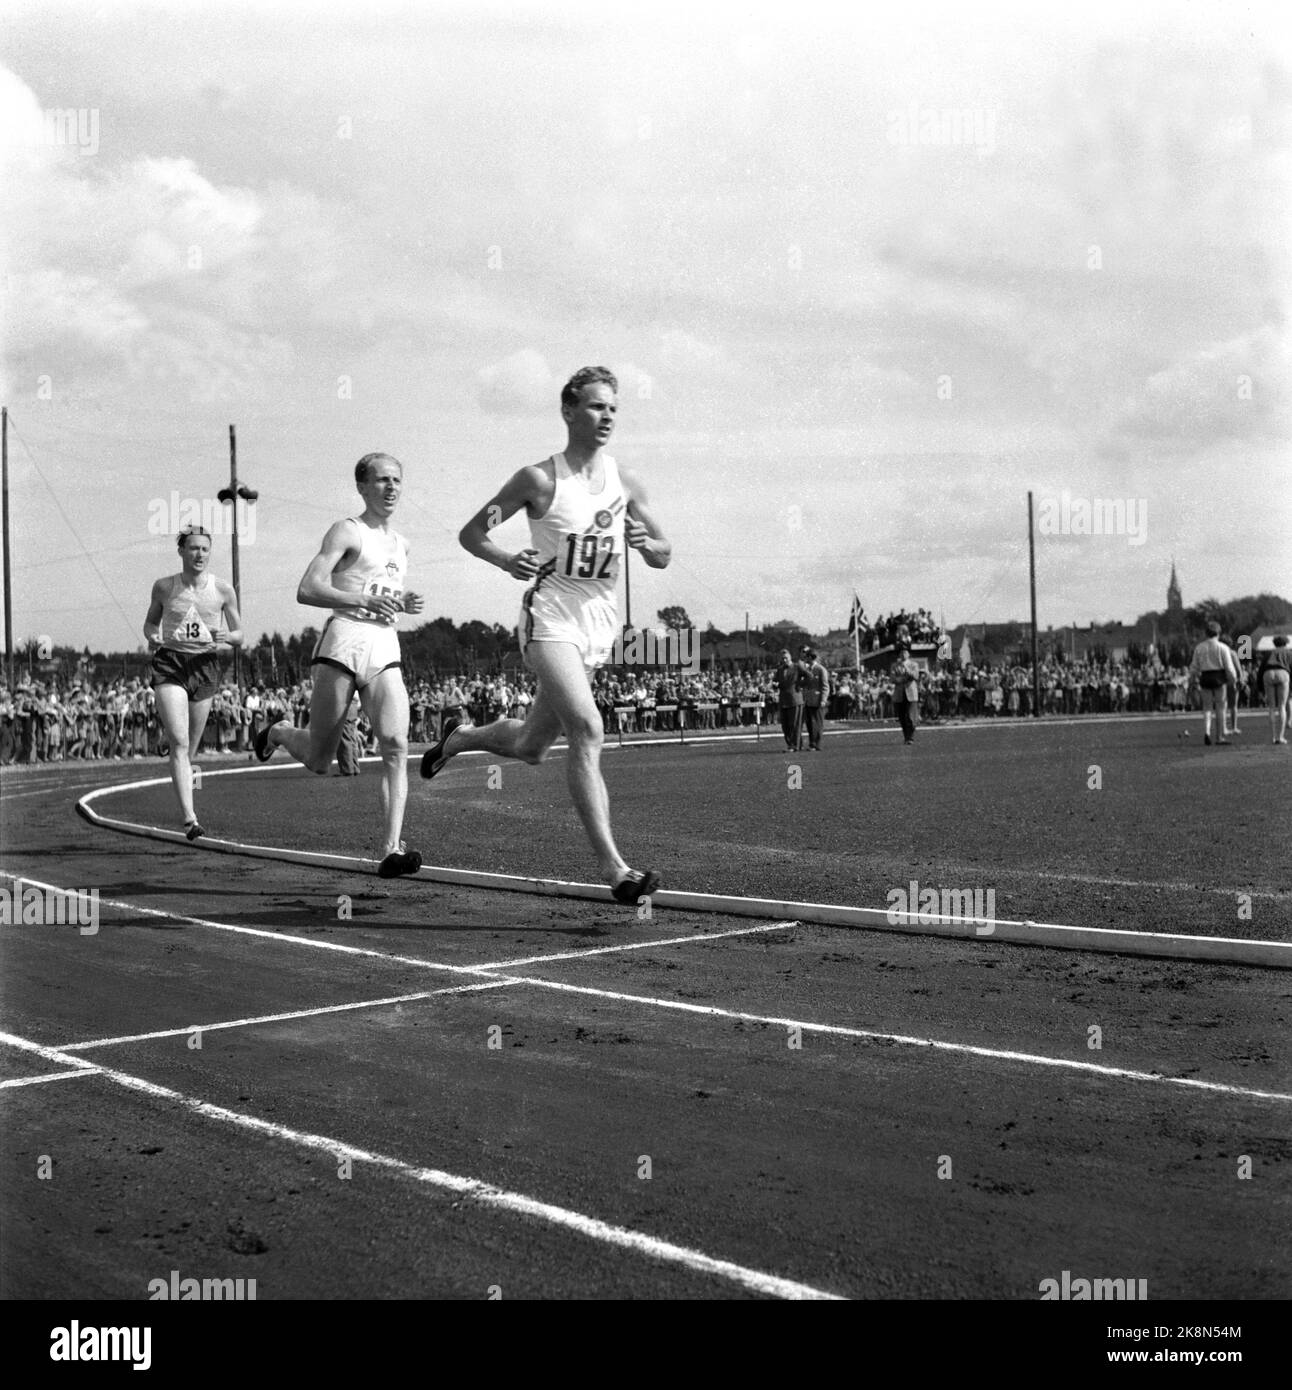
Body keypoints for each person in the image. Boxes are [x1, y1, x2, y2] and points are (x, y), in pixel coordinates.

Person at [420, 365, 669, 904]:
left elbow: (665, 552)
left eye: (614, 409)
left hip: (598, 626)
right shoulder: (537, 480)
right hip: (549, 619)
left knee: (531, 747)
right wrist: (508, 558)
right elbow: (472, 533)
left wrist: (649, 546)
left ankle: (462, 737)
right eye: (597, 406)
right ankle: (616, 870)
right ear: (568, 410)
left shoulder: (625, 482)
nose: (607, 417)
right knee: (588, 727)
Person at [253, 453, 425, 877]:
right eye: (382, 480)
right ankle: (276, 731)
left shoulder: (402, 544)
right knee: (318, 758)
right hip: (343, 642)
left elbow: (379, 588)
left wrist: (400, 602)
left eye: (397, 480)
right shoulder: (348, 531)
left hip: (384, 647)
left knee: (396, 744)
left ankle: (391, 848)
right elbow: (308, 588)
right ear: (362, 487)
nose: (391, 488)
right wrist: (364, 600)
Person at [143, 525, 243, 838]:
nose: (199, 554)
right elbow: (149, 623)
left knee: (191, 750)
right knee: (180, 742)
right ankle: (190, 819)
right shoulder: (164, 586)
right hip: (171, 664)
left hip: (206, 666)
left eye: (204, 549)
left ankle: (168, 736)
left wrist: (228, 636)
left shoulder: (223, 590)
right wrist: (152, 635)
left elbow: (241, 634)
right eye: (193, 548)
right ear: (182, 551)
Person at [1188, 620, 1241, 746]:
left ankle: (1207, 731)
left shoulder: (1199, 647)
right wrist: (1233, 680)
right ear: (1218, 633)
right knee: (1220, 707)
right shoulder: (1223, 647)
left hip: (1205, 676)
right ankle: (1219, 736)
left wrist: (1192, 680)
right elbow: (1229, 667)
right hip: (1219, 678)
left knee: (1207, 707)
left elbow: (1194, 667)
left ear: (1206, 633)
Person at [1255, 634, 1292, 745]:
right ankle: (1280, 737)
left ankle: (1273, 737)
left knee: (1271, 707)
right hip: (1283, 673)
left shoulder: (1268, 653)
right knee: (1281, 706)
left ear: (1274, 643)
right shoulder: (1289, 653)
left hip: (1268, 674)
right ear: (1286, 643)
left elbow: (1260, 671)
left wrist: (1260, 689)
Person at [774, 649, 805, 751]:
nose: (784, 660)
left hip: (795, 699)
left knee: (794, 724)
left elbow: (809, 676)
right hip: (783, 700)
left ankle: (793, 745)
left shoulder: (797, 667)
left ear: (790, 658)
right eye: (782, 658)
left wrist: (800, 685)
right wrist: (774, 685)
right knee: (785, 725)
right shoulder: (780, 669)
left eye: (786, 658)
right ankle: (796, 744)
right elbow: (775, 682)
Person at [800, 645, 830, 751]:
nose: (806, 659)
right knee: (809, 723)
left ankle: (816, 744)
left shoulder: (821, 670)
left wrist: (823, 700)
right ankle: (812, 743)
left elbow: (825, 686)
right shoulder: (807, 669)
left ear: (811, 657)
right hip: (808, 700)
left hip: (817, 700)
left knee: (817, 723)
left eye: (807, 657)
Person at [891, 643, 920, 745]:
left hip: (911, 694)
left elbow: (915, 676)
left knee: (911, 717)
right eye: (902, 653)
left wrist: (906, 669)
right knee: (902, 717)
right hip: (900, 694)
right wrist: (904, 679)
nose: (903, 654)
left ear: (908, 654)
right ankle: (907, 737)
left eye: (905, 652)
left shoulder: (914, 664)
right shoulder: (894, 666)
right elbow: (893, 679)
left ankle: (910, 736)